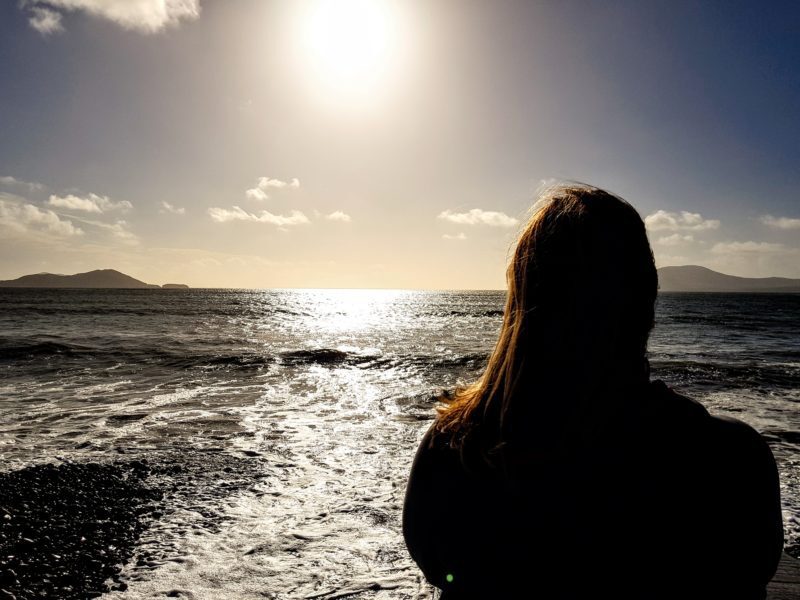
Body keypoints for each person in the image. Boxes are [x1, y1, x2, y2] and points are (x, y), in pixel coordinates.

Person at [402, 185, 783, 599]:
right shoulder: (729, 457)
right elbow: (748, 576)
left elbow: (437, 568)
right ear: (647, 301)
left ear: (521, 302)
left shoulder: (454, 446)